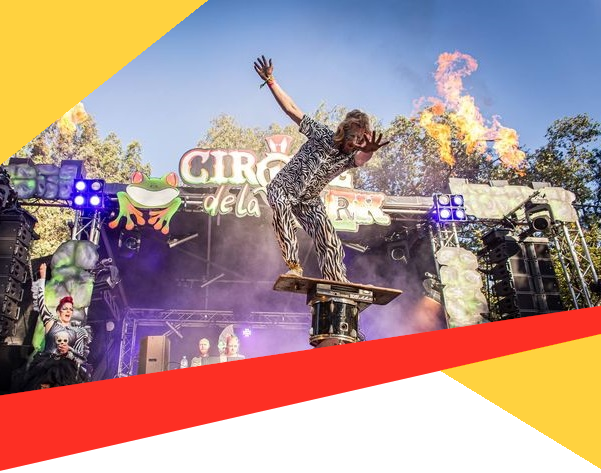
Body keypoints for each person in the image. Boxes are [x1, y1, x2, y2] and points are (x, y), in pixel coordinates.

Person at [253, 55, 390, 283]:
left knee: (329, 238)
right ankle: (294, 266)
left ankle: (337, 280)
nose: (355, 144)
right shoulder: (322, 134)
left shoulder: (349, 157)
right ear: (344, 131)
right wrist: (271, 81)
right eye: (353, 138)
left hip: (308, 201)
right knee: (282, 209)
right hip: (283, 188)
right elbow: (292, 109)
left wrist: (371, 150)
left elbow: (362, 160)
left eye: (360, 140)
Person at [17, 263, 92, 391]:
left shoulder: (77, 331)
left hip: (67, 372)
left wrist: (69, 351)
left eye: (70, 309)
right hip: (45, 368)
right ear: (58, 312)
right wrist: (42, 277)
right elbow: (41, 302)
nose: (68, 311)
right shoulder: (51, 323)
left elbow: (81, 357)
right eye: (65, 309)